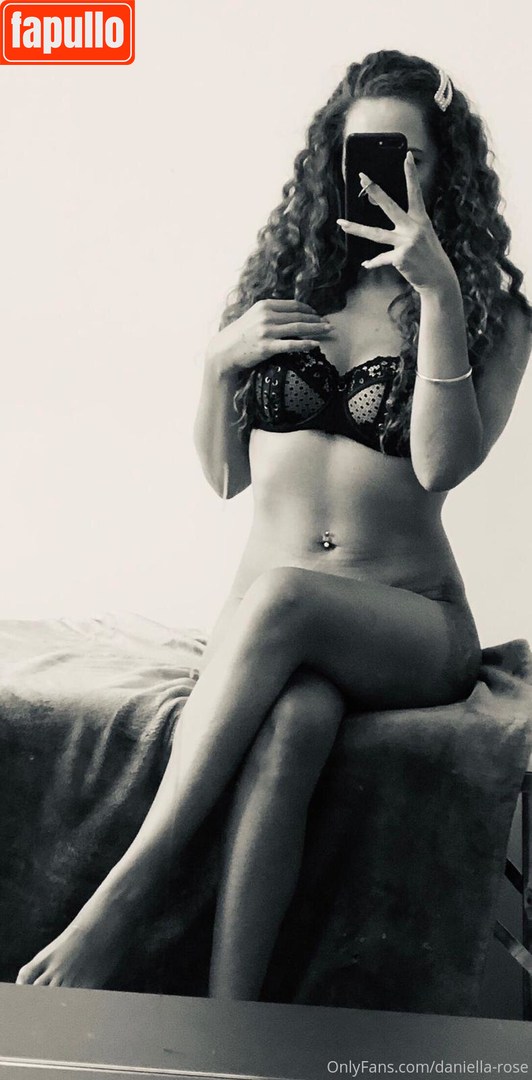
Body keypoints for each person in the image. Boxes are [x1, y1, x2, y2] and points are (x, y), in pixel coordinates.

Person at [16, 49, 532, 1000]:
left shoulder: (490, 310)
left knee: (284, 597)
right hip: (282, 637)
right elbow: (226, 478)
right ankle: (234, 1023)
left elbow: (441, 464)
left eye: (407, 157)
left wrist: (439, 296)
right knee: (292, 727)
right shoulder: (287, 283)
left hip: (412, 627)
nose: (383, 177)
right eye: (362, 153)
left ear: (443, 169)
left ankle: (124, 894)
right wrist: (220, 362)